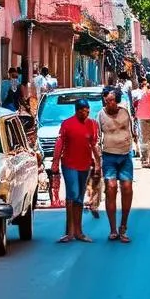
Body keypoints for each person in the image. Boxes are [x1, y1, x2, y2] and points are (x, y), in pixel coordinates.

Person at [51, 98, 101, 243]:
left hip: (84, 165)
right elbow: (60, 143)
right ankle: (69, 231)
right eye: (83, 111)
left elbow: (94, 145)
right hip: (69, 164)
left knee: (79, 197)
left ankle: (78, 231)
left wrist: (98, 162)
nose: (86, 114)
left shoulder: (92, 124)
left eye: (88, 111)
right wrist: (55, 162)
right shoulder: (67, 124)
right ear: (77, 111)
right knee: (72, 195)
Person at [97, 87, 134, 242]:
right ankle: (113, 229)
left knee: (127, 188)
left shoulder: (125, 113)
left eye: (112, 100)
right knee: (111, 188)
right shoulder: (100, 115)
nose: (109, 103)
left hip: (125, 156)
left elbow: (132, 131)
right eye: (107, 100)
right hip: (109, 157)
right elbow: (98, 138)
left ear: (117, 100)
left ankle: (123, 227)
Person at [134, 77, 150, 168]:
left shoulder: (137, 93)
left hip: (142, 117)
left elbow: (135, 104)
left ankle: (144, 161)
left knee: (143, 139)